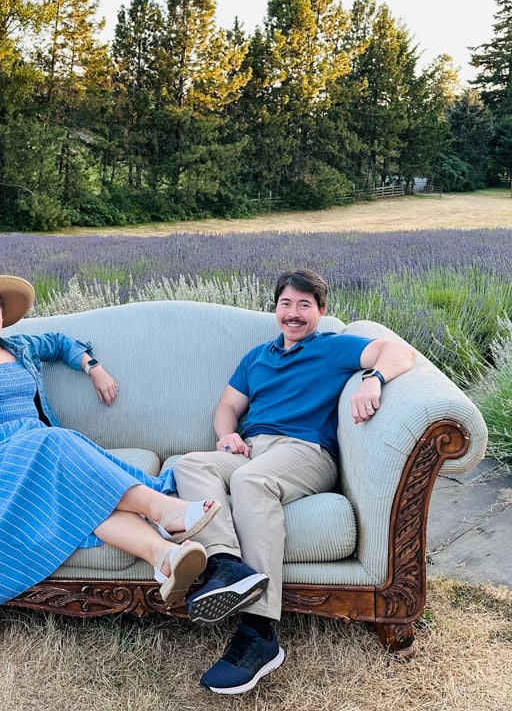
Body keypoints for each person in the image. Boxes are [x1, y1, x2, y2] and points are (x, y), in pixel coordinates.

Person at [0, 274, 220, 609]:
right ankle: (162, 510)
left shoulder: (22, 347)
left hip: (36, 455)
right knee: (55, 441)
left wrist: (93, 367)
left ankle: (163, 556)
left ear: (3, 314)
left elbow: (60, 343)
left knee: (82, 497)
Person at [174, 268, 416, 695]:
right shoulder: (257, 357)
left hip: (306, 451)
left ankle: (260, 632)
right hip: (255, 449)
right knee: (191, 464)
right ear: (275, 309)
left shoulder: (332, 348)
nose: (294, 313)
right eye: (286, 303)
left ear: (321, 312)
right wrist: (227, 433)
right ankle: (226, 566)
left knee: (250, 482)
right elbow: (228, 404)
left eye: (305, 305)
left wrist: (374, 379)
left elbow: (398, 352)